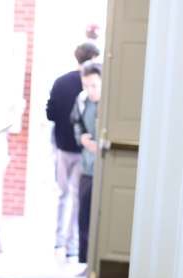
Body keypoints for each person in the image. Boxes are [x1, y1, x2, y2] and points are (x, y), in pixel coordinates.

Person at [46, 42, 100, 260]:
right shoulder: (93, 87)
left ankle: (58, 240)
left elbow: (50, 113)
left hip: (62, 146)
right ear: (92, 59)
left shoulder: (61, 82)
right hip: (82, 151)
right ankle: (72, 246)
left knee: (62, 194)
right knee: (78, 198)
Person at [71, 61, 103, 264]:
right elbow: (76, 123)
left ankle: (96, 263)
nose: (89, 90)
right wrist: (81, 138)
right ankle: (84, 261)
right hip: (87, 168)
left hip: (105, 168)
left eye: (94, 85)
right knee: (84, 216)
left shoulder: (111, 103)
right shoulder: (82, 100)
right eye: (85, 85)